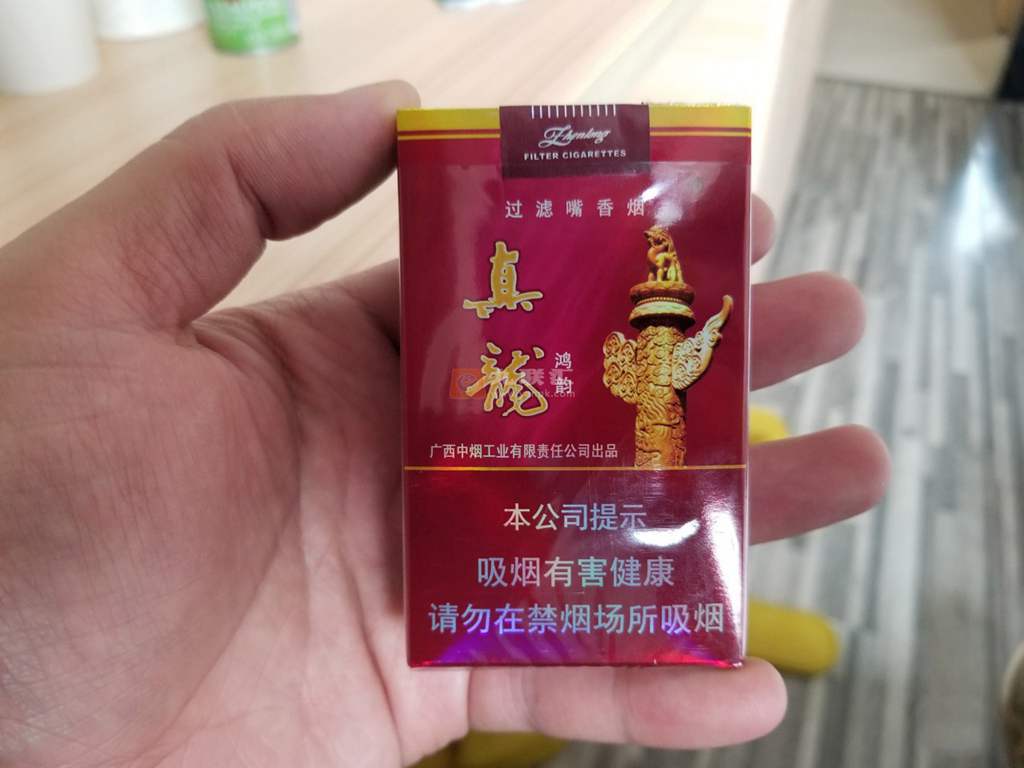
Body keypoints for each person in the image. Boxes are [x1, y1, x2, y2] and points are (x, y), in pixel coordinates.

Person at [0, 81, 890, 767]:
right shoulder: (624, 353)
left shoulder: (646, 355)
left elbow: (685, 357)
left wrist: (712, 325)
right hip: (473, 571)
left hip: (620, 506)